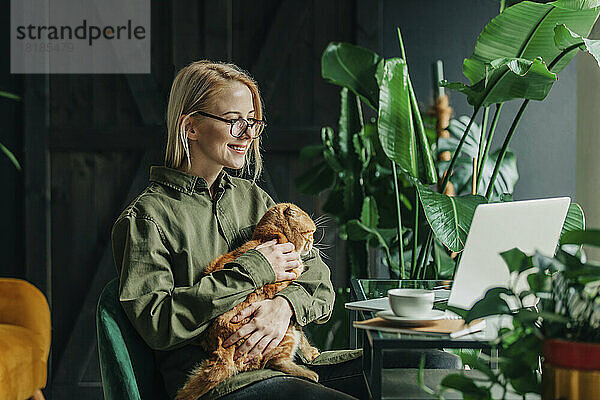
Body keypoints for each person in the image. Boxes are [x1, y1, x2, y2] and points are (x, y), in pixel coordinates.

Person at [110, 60, 366, 400]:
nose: (247, 134)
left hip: (290, 362)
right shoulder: (147, 217)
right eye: (233, 122)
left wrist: (283, 307)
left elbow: (317, 278)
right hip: (219, 382)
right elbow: (158, 323)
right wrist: (255, 269)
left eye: (252, 122)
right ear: (191, 127)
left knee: (424, 363)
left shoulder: (253, 198)